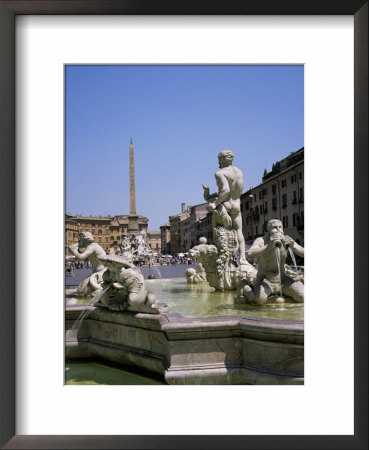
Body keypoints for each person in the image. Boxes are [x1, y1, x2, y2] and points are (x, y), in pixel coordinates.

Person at [202, 150, 247, 264]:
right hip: (237, 205)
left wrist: (214, 203)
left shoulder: (220, 173)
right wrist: (209, 194)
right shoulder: (239, 172)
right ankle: (242, 259)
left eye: (219, 160)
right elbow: (233, 191)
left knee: (217, 230)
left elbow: (225, 190)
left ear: (221, 160)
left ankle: (223, 258)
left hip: (225, 205)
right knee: (239, 232)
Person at [246, 219, 304, 304]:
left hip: (283, 280)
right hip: (265, 280)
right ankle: (247, 289)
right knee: (259, 301)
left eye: (280, 227)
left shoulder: (286, 240)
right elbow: (250, 254)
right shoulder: (261, 240)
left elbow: (303, 253)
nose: (278, 230)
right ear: (268, 231)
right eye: (274, 227)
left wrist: (293, 245)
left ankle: (282, 295)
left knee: (303, 297)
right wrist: (268, 246)